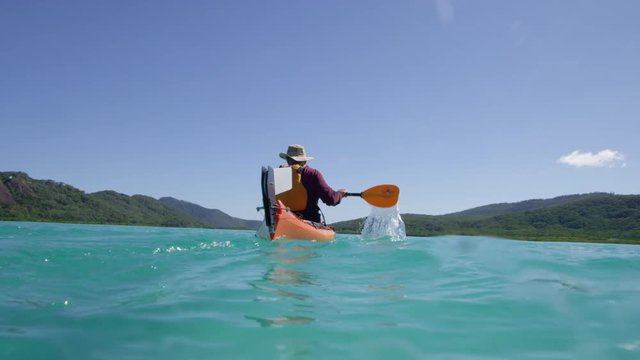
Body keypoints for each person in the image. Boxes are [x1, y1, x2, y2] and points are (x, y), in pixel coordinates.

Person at [276, 144, 347, 223]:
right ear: (305, 161)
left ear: (287, 160)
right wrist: (340, 193)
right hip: (308, 222)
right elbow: (330, 199)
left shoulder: (278, 174)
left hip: (282, 221)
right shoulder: (312, 174)